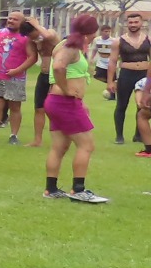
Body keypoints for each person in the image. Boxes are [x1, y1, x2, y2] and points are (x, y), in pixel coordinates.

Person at [43, 14, 109, 202]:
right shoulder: (70, 47)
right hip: (64, 102)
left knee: (59, 147)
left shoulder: (68, 44)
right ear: (90, 31)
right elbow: (58, 67)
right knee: (86, 145)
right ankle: (78, 190)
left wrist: (80, 101)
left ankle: (51, 189)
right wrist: (67, 90)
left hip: (58, 101)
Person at [0, 10, 37, 145]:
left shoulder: (26, 38)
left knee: (15, 107)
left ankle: (14, 136)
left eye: (15, 19)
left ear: (22, 22)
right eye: (9, 18)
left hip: (16, 78)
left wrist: (18, 70)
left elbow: (33, 57)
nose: (10, 21)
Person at [106, 11, 149, 145]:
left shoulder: (148, 39)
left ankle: (138, 135)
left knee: (142, 105)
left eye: (136, 22)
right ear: (127, 24)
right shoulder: (118, 41)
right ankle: (119, 136)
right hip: (126, 74)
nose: (133, 25)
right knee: (121, 105)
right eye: (130, 22)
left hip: (144, 75)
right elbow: (112, 61)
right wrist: (110, 81)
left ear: (141, 23)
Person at [19, 17, 61, 147]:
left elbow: (47, 36)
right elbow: (32, 56)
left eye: (31, 34)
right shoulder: (33, 41)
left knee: (55, 109)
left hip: (57, 77)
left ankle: (59, 140)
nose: (30, 38)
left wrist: (36, 25)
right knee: (39, 108)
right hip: (44, 76)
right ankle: (37, 140)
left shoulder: (50, 34)